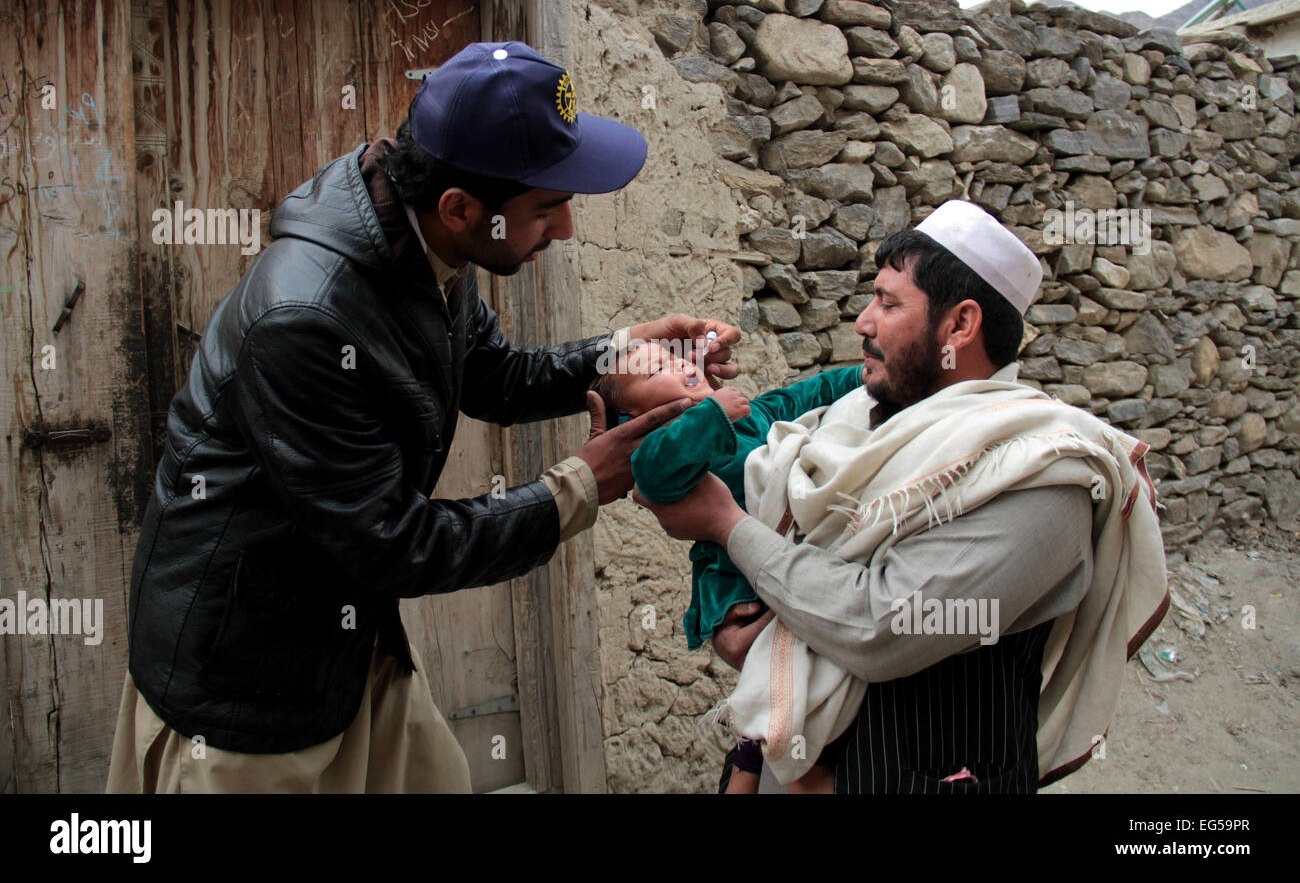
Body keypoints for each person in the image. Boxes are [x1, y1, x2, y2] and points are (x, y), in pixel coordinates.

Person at [105, 40, 740, 793]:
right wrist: (579, 485)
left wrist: (622, 357)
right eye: (548, 207)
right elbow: (395, 543)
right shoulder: (307, 320)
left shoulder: (418, 235)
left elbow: (494, 377)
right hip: (248, 695)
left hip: (350, 647)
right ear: (461, 208)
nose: (566, 231)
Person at [635, 199, 1170, 794]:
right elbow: (762, 476)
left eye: (888, 303)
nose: (863, 321)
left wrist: (724, 525)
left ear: (959, 326)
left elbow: (878, 624)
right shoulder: (859, 416)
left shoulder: (1040, 479)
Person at [596, 340, 863, 791]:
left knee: (802, 685)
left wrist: (869, 376)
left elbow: (812, 392)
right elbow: (657, 473)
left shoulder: (757, 413)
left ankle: (753, 758)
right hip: (737, 583)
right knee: (788, 687)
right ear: (636, 418)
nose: (679, 366)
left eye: (676, 357)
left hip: (789, 562)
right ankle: (783, 766)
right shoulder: (659, 446)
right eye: (655, 370)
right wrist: (713, 413)